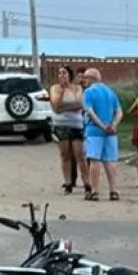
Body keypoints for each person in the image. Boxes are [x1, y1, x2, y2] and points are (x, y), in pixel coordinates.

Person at [82, 68, 122, 201]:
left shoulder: (88, 92)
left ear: (92, 78)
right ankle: (113, 190)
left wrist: (102, 126)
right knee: (110, 161)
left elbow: (90, 112)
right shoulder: (110, 92)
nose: (84, 80)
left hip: (94, 132)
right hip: (111, 133)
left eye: (86, 78)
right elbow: (119, 112)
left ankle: (95, 191)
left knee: (95, 160)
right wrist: (113, 125)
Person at [50, 65, 90, 195]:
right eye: (60, 73)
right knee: (65, 154)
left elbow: (80, 104)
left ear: (69, 75)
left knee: (80, 154)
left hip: (76, 124)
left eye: (64, 73)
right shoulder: (55, 88)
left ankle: (87, 182)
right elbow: (55, 106)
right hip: (61, 125)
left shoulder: (77, 88)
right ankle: (68, 182)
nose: (62, 75)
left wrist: (64, 108)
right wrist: (62, 92)